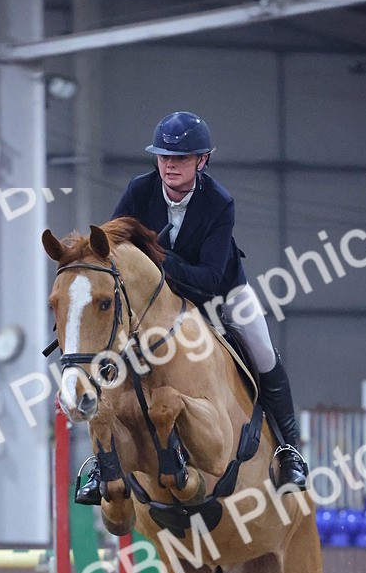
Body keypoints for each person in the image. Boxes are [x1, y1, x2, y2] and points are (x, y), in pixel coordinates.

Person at [75, 110, 308, 505]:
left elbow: (210, 277)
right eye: (164, 157)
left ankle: (289, 450)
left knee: (262, 350)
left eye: (181, 158)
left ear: (202, 160)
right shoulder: (139, 191)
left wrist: (158, 262)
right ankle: (103, 462)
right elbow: (112, 251)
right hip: (154, 299)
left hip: (218, 293)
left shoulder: (219, 202)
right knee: (112, 349)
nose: (170, 165)